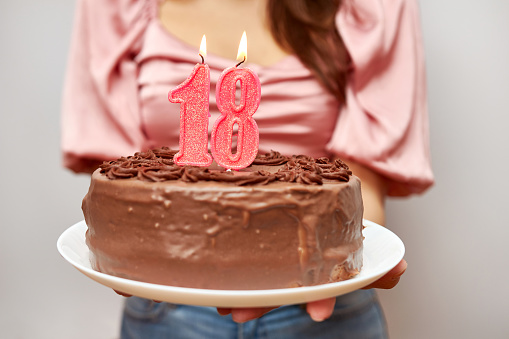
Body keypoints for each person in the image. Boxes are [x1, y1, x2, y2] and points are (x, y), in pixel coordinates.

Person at [61, 0, 434, 337]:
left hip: (323, 302)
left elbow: (360, 184)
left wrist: (340, 270)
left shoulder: (373, 7)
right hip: (167, 309)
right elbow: (118, 182)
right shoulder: (115, 6)